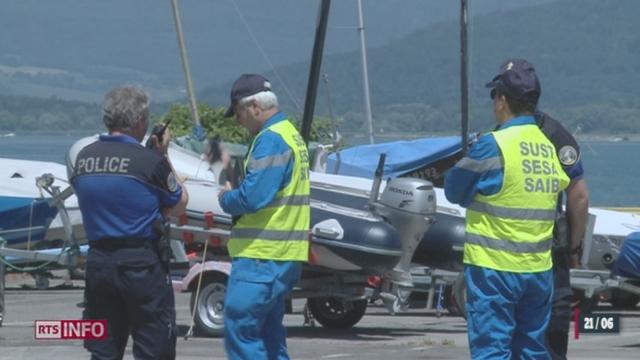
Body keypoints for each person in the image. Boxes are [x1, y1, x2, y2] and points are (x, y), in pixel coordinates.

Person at [444, 59, 570, 359]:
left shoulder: (494, 144)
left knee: (492, 348)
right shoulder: (546, 146)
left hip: (495, 269)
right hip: (538, 271)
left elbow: (453, 189)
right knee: (530, 348)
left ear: (502, 99)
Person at [71, 85, 188, 359]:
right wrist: (163, 155)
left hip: (99, 262)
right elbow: (180, 202)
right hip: (141, 265)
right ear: (139, 121)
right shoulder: (148, 161)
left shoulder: (83, 159)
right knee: (154, 346)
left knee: (103, 349)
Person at [218, 74, 310, 360]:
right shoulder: (290, 134)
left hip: (262, 255)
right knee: (270, 334)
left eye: (239, 112)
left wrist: (225, 197)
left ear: (255, 105)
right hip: (286, 254)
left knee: (240, 328)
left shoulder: (270, 140)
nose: (238, 120)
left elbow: (253, 198)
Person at [536, 111, 589, 359]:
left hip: (503, 258)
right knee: (554, 333)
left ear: (502, 101)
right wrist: (574, 249)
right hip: (552, 253)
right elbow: (579, 196)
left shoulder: (497, 138)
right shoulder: (556, 135)